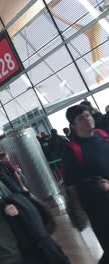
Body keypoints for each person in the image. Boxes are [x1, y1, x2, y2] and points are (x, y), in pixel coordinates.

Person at [62, 105, 109, 263]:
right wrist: (98, 186)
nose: (87, 119)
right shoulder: (72, 149)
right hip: (99, 206)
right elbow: (72, 184)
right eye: (81, 118)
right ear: (73, 126)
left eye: (88, 115)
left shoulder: (102, 135)